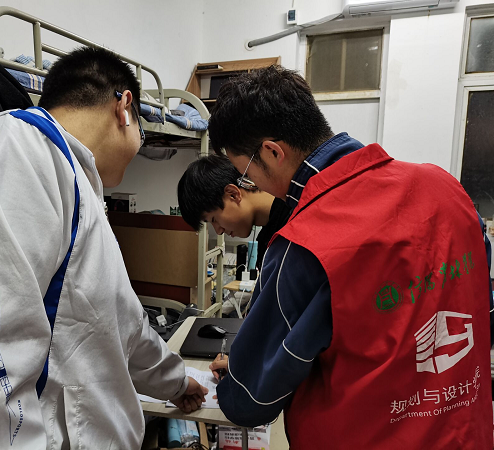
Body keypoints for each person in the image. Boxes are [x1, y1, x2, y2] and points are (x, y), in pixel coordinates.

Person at [0, 47, 207, 449]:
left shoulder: (71, 177)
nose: (138, 146)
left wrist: (177, 382)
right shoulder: (8, 151)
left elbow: (123, 325)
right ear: (123, 107)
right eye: (141, 135)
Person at [206, 65, 494, 449]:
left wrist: (234, 380)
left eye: (245, 174)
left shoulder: (303, 244)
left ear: (272, 152)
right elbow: (483, 311)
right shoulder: (448, 189)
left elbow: (251, 401)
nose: (251, 186)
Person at [177, 154, 292, 270]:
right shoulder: (268, 237)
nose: (219, 231)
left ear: (233, 194)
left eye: (214, 219)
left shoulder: (292, 225)